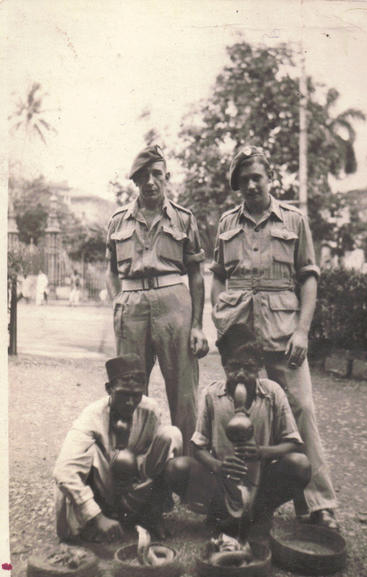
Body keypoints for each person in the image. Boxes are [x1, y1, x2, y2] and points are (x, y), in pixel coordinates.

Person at [209, 145, 338, 529]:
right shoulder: (226, 223)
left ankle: (318, 503)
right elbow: (217, 273)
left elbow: (309, 277)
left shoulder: (294, 220)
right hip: (240, 331)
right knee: (237, 409)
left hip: (283, 330)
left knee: (301, 408)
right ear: (236, 186)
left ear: (270, 178)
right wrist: (220, 314)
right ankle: (233, 499)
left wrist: (302, 331)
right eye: (243, 180)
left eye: (257, 177)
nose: (250, 185)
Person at [106, 145, 208, 455]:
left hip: (173, 303)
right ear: (134, 181)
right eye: (143, 176)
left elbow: (197, 275)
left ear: (166, 177)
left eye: (157, 175)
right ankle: (134, 466)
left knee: (184, 393)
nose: (150, 181)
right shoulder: (117, 221)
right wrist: (118, 303)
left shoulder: (183, 219)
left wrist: (197, 326)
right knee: (129, 388)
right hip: (132, 305)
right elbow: (111, 272)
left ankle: (188, 471)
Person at [165, 324, 311, 536]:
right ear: (224, 365)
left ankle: (258, 512)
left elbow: (294, 443)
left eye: (249, 368)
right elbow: (198, 447)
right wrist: (218, 465)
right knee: (176, 468)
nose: (241, 374)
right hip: (222, 480)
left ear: (260, 366)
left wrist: (262, 452)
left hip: (260, 480)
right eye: (233, 367)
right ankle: (220, 512)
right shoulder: (212, 394)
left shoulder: (273, 392)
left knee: (300, 464)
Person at [53, 354, 183, 542]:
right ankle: (97, 520)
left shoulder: (150, 411)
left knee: (171, 435)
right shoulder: (92, 415)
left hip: (133, 486)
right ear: (109, 389)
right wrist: (96, 516)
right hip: (102, 488)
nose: (130, 402)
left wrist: (154, 505)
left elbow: (156, 466)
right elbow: (63, 471)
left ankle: (150, 517)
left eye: (136, 395)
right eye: (123, 394)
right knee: (88, 453)